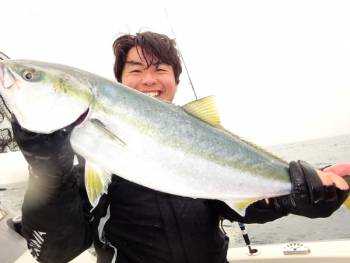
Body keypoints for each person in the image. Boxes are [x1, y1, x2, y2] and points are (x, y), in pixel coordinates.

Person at [12, 31, 349, 263]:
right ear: (119, 82)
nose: (148, 79)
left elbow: (242, 205)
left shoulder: (203, 138)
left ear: (175, 80)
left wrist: (299, 196)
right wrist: (47, 168)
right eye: (136, 70)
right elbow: (53, 252)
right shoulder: (90, 163)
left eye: (161, 69)